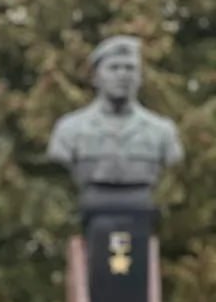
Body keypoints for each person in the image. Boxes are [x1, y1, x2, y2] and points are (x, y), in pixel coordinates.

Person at [46, 35, 184, 202]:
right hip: (92, 210)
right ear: (96, 78)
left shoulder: (162, 131)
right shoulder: (69, 129)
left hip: (141, 210)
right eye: (114, 68)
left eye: (130, 68)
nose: (122, 75)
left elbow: (173, 165)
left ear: (139, 77)